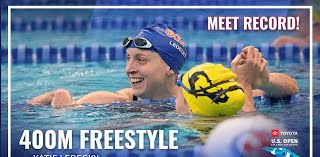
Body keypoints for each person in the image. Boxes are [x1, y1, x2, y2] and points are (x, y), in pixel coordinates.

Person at [28, 24, 298, 112]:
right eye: (128, 58)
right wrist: (58, 99)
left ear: (171, 67)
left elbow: (291, 90)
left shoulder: (205, 95)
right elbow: (64, 101)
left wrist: (258, 81)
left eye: (140, 60)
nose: (129, 69)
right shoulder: (122, 101)